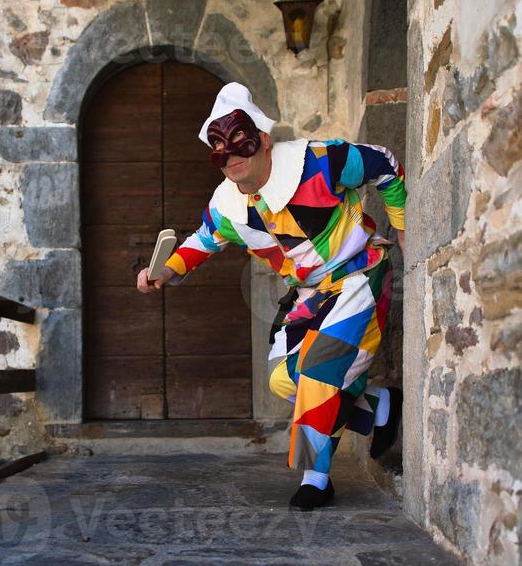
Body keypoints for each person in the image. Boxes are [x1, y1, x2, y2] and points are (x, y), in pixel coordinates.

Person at [137, 83, 405, 511]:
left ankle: (316, 477)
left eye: (238, 142)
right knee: (285, 378)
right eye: (218, 149)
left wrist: (404, 230)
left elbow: (385, 165)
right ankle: (376, 403)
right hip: (311, 294)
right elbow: (203, 240)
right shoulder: (227, 206)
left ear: (262, 139)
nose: (230, 157)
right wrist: (164, 272)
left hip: (359, 276)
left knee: (318, 374)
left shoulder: (319, 161)